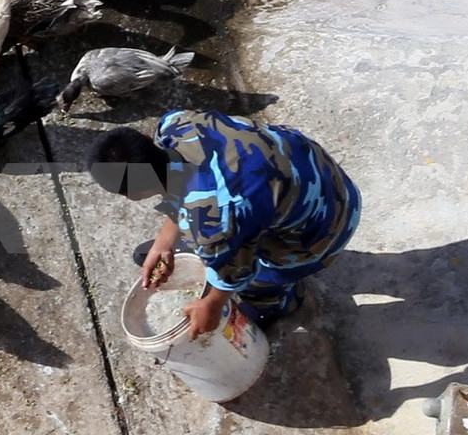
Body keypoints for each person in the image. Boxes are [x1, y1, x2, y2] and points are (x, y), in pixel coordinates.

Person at [88, 109, 361, 338]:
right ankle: (223, 249)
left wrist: (212, 304)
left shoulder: (215, 224)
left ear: (135, 195)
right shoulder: (177, 123)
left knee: (255, 278)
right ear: (147, 138)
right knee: (224, 235)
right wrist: (164, 241)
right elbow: (181, 177)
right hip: (327, 179)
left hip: (325, 228)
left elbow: (237, 273)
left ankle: (278, 304)